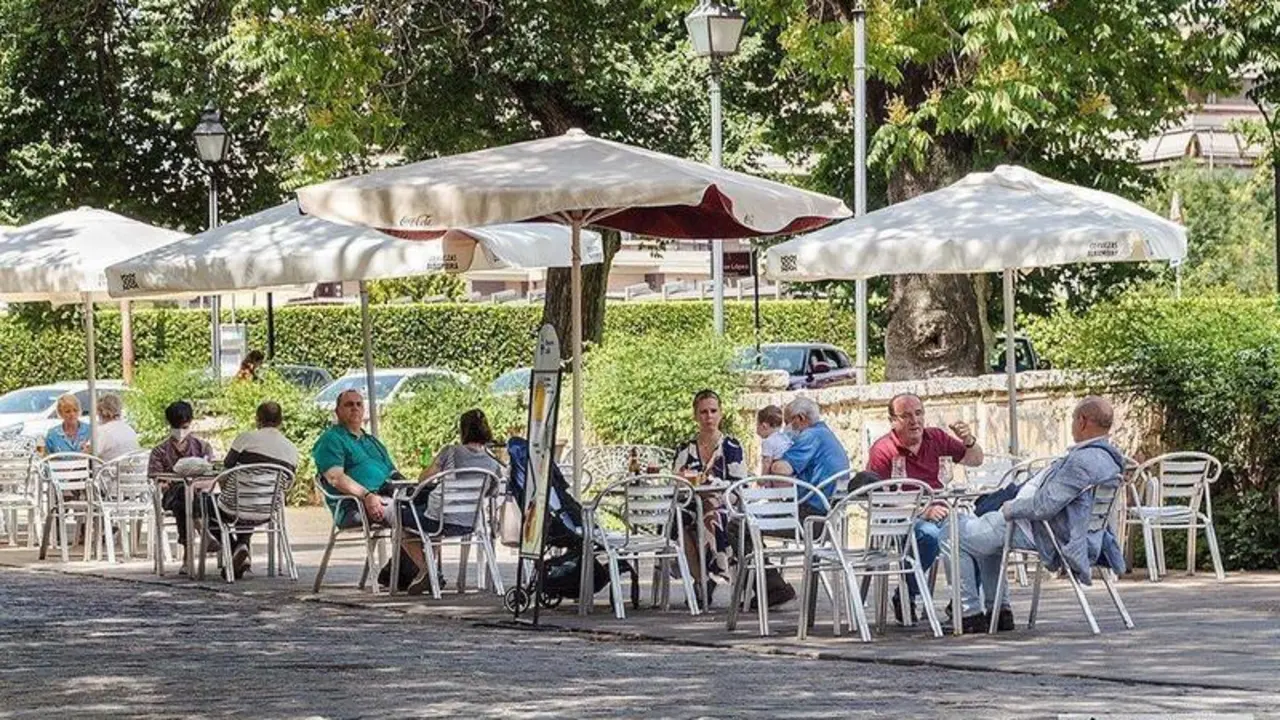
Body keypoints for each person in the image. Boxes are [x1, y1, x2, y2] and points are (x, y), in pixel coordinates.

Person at [952, 396, 1126, 633]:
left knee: (955, 533)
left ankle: (969, 613)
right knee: (983, 536)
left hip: (1041, 531)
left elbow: (1045, 505)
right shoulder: (1110, 459)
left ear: (1083, 421)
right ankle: (999, 612)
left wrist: (1009, 509)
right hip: (1076, 531)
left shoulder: (1083, 461)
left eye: (1074, 419)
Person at [865, 392, 984, 624]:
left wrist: (969, 440)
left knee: (975, 535)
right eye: (906, 416)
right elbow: (878, 497)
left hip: (941, 510)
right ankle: (907, 593)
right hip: (900, 517)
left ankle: (961, 603)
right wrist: (921, 510)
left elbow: (976, 460)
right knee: (928, 536)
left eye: (918, 414)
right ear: (893, 421)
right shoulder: (883, 450)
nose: (914, 421)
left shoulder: (936, 438)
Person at [312, 389, 435, 594]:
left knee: (430, 506)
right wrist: (367, 496)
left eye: (359, 404)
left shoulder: (372, 441)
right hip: (354, 504)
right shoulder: (331, 439)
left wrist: (415, 490)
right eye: (349, 404)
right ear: (337, 411)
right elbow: (335, 477)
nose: (355, 408)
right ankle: (426, 570)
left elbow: (394, 472)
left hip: (388, 495)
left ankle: (412, 571)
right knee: (403, 514)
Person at [755, 396, 850, 607]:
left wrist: (773, 462)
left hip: (810, 519)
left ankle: (772, 588)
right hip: (829, 518)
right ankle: (771, 586)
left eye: (789, 422)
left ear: (800, 418)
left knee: (741, 524)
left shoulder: (810, 436)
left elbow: (782, 470)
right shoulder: (828, 436)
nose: (786, 428)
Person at [672, 389, 747, 597]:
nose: (709, 417)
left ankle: (709, 579)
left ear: (721, 414)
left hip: (725, 504)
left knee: (710, 512)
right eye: (703, 412)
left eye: (713, 411)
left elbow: (738, 486)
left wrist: (712, 483)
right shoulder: (685, 449)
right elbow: (676, 483)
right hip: (690, 504)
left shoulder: (732, 447)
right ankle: (703, 578)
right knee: (679, 521)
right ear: (695, 415)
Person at [221, 401, 300, 579]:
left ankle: (238, 548)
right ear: (281, 421)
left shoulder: (245, 438)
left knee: (205, 506)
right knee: (249, 504)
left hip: (236, 505)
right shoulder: (291, 449)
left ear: (257, 419)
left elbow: (227, 465)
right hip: (268, 509)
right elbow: (288, 484)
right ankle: (242, 548)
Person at [149, 401, 217, 569]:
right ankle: (203, 533)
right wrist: (168, 482)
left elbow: (212, 475)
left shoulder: (202, 447)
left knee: (185, 501)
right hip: (172, 495)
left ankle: (188, 558)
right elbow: (157, 480)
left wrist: (194, 485)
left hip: (200, 495)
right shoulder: (160, 451)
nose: (181, 431)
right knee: (181, 493)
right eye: (177, 426)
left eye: (184, 426)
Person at [95, 393, 140, 462]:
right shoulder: (129, 429)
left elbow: (90, 454)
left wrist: (85, 448)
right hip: (132, 470)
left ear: (101, 411)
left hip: (111, 471)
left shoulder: (103, 431)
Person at [756, 405, 791, 476]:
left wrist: (762, 480)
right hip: (791, 479)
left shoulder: (768, 442)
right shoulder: (785, 437)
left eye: (757, 425)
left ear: (764, 426)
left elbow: (767, 463)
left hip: (778, 479)